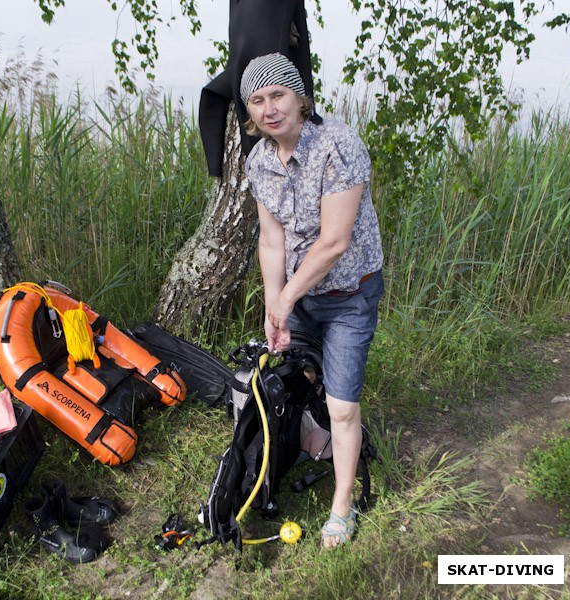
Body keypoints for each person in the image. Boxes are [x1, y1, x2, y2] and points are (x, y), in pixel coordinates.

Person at [241, 53, 384, 548]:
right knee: (294, 382)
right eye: (257, 101)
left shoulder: (337, 144)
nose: (268, 109)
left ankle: (342, 506)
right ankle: (312, 441)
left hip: (348, 294)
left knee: (342, 405)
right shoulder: (258, 161)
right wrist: (271, 305)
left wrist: (285, 299)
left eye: (277, 95)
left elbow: (334, 242)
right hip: (298, 296)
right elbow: (270, 240)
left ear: (300, 98)